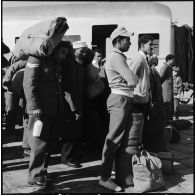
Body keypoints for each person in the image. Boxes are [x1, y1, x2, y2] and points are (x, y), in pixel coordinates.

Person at [23, 41, 68, 187]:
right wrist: (34, 106)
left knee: (48, 143)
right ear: (54, 50)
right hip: (39, 111)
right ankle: (34, 176)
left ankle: (42, 172)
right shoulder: (36, 60)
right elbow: (28, 83)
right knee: (38, 143)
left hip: (53, 110)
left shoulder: (54, 64)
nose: (64, 56)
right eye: (62, 52)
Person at [99, 26, 138, 192]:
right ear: (118, 40)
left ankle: (117, 174)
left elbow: (131, 79)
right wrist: (132, 76)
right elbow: (133, 80)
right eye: (127, 39)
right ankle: (104, 178)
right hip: (120, 99)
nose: (130, 42)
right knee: (114, 139)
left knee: (121, 141)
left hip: (123, 99)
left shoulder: (119, 57)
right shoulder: (116, 57)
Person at [59, 41, 88, 168]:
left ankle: (73, 154)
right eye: (80, 50)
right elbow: (69, 89)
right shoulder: (69, 65)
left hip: (78, 101)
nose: (83, 53)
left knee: (76, 130)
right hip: (70, 103)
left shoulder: (78, 65)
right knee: (70, 131)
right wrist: (74, 108)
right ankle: (67, 158)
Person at [129, 35, 153, 150]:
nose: (152, 47)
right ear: (142, 45)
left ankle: (141, 149)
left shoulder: (144, 59)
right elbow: (130, 78)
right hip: (139, 99)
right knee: (137, 128)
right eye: (150, 45)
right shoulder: (139, 59)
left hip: (144, 98)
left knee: (142, 127)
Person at [84, 49, 109, 151]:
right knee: (95, 123)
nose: (99, 58)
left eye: (100, 56)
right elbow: (93, 78)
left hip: (99, 97)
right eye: (97, 56)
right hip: (93, 97)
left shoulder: (99, 66)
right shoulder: (92, 67)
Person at [145, 54, 169, 152]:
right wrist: (152, 104)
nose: (157, 59)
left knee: (159, 128)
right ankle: (155, 149)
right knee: (154, 129)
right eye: (155, 58)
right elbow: (151, 90)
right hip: (154, 104)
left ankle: (159, 148)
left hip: (158, 103)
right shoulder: (149, 71)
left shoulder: (154, 70)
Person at [159, 54, 175, 123]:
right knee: (166, 108)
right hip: (165, 94)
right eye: (173, 60)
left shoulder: (169, 68)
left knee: (169, 108)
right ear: (169, 60)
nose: (174, 62)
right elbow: (159, 79)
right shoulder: (165, 67)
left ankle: (168, 122)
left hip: (169, 93)